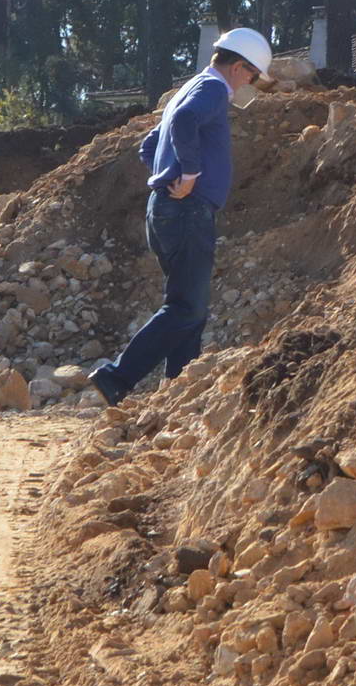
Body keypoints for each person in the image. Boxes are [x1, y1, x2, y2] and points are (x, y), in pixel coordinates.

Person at [88, 27, 270, 405]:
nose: (250, 83)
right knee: (187, 306)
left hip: (167, 210)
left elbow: (150, 145)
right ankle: (117, 376)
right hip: (187, 210)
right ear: (239, 67)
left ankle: (176, 391)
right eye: (252, 75)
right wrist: (187, 174)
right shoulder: (214, 90)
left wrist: (166, 172)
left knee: (190, 307)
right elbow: (186, 122)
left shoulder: (192, 86)